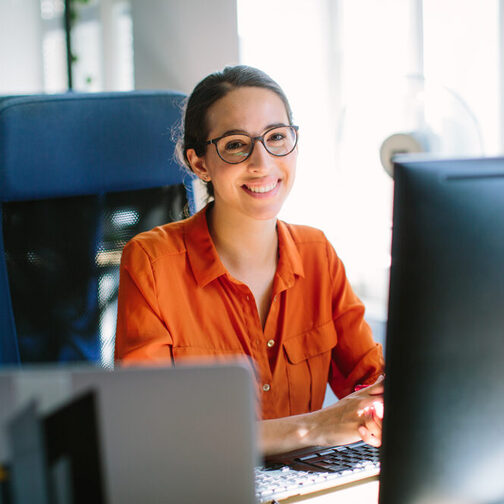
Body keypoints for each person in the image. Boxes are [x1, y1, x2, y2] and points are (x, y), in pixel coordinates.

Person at [115, 65, 385, 456]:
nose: (262, 162)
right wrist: (314, 428)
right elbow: (153, 429)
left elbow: (369, 380)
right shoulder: (152, 263)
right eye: (236, 144)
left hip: (305, 485)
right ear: (200, 163)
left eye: (277, 137)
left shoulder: (317, 253)